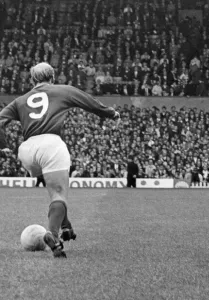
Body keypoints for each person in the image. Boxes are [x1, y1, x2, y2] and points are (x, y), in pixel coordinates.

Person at [0, 62, 120, 258]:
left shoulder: (20, 100)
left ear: (32, 80)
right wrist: (111, 114)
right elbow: (89, 102)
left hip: (27, 150)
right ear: (53, 77)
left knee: (54, 191)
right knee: (58, 194)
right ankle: (53, 235)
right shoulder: (62, 90)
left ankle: (65, 225)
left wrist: (3, 145)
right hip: (51, 144)